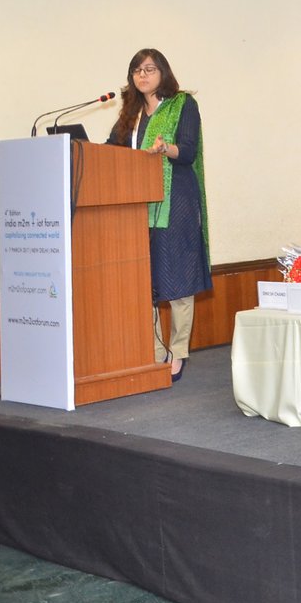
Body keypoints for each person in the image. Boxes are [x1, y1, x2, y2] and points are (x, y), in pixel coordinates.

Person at [106, 48, 210, 382]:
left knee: (178, 277)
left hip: (175, 201)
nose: (143, 75)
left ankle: (178, 351)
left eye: (149, 69)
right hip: (138, 203)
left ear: (163, 72)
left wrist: (165, 148)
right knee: (143, 278)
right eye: (137, 70)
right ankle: (154, 352)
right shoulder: (132, 113)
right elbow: (111, 150)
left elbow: (188, 151)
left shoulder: (182, 104)